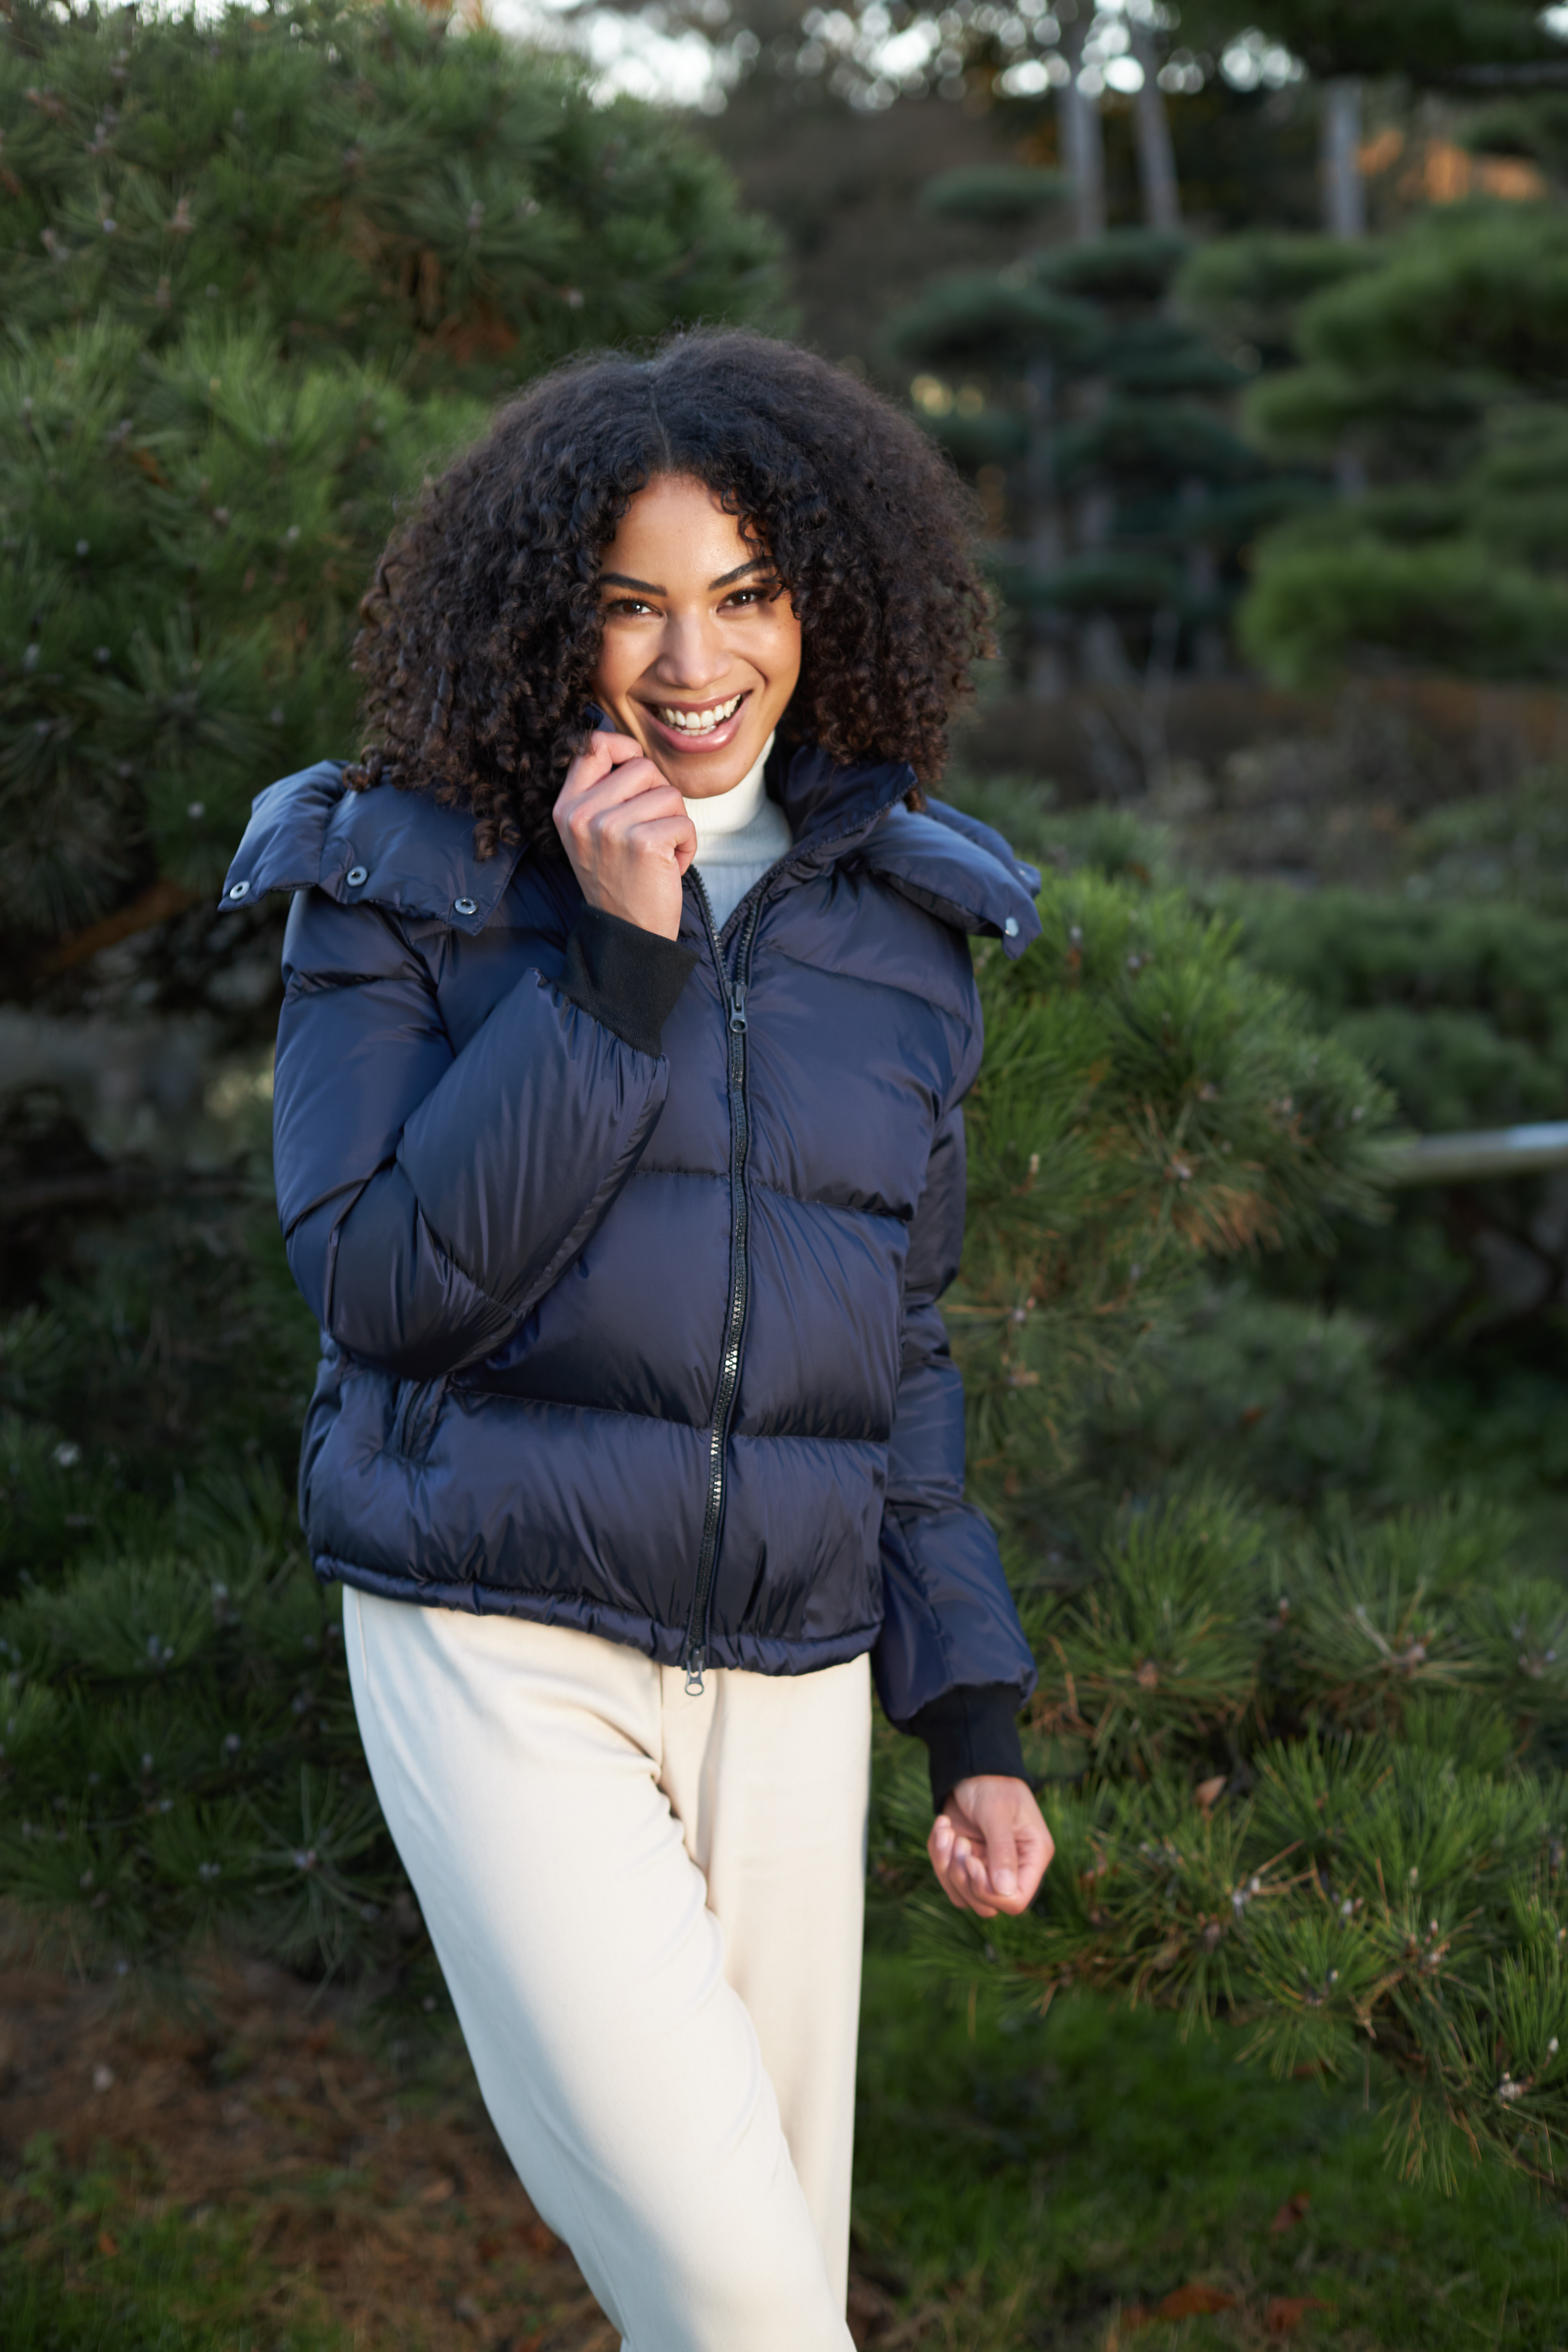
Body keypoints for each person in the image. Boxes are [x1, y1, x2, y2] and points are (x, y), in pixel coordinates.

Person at [220, 328, 1054, 2352]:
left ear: (825, 603)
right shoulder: (398, 870)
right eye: (633, 605)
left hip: (794, 1673)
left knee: (747, 2299)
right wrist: (612, 966)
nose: (696, 663)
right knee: (754, 2311)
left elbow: (896, 1348)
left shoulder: (904, 929)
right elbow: (385, 1288)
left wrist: (971, 1710)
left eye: (746, 594)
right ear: (544, 617)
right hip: (495, 1639)